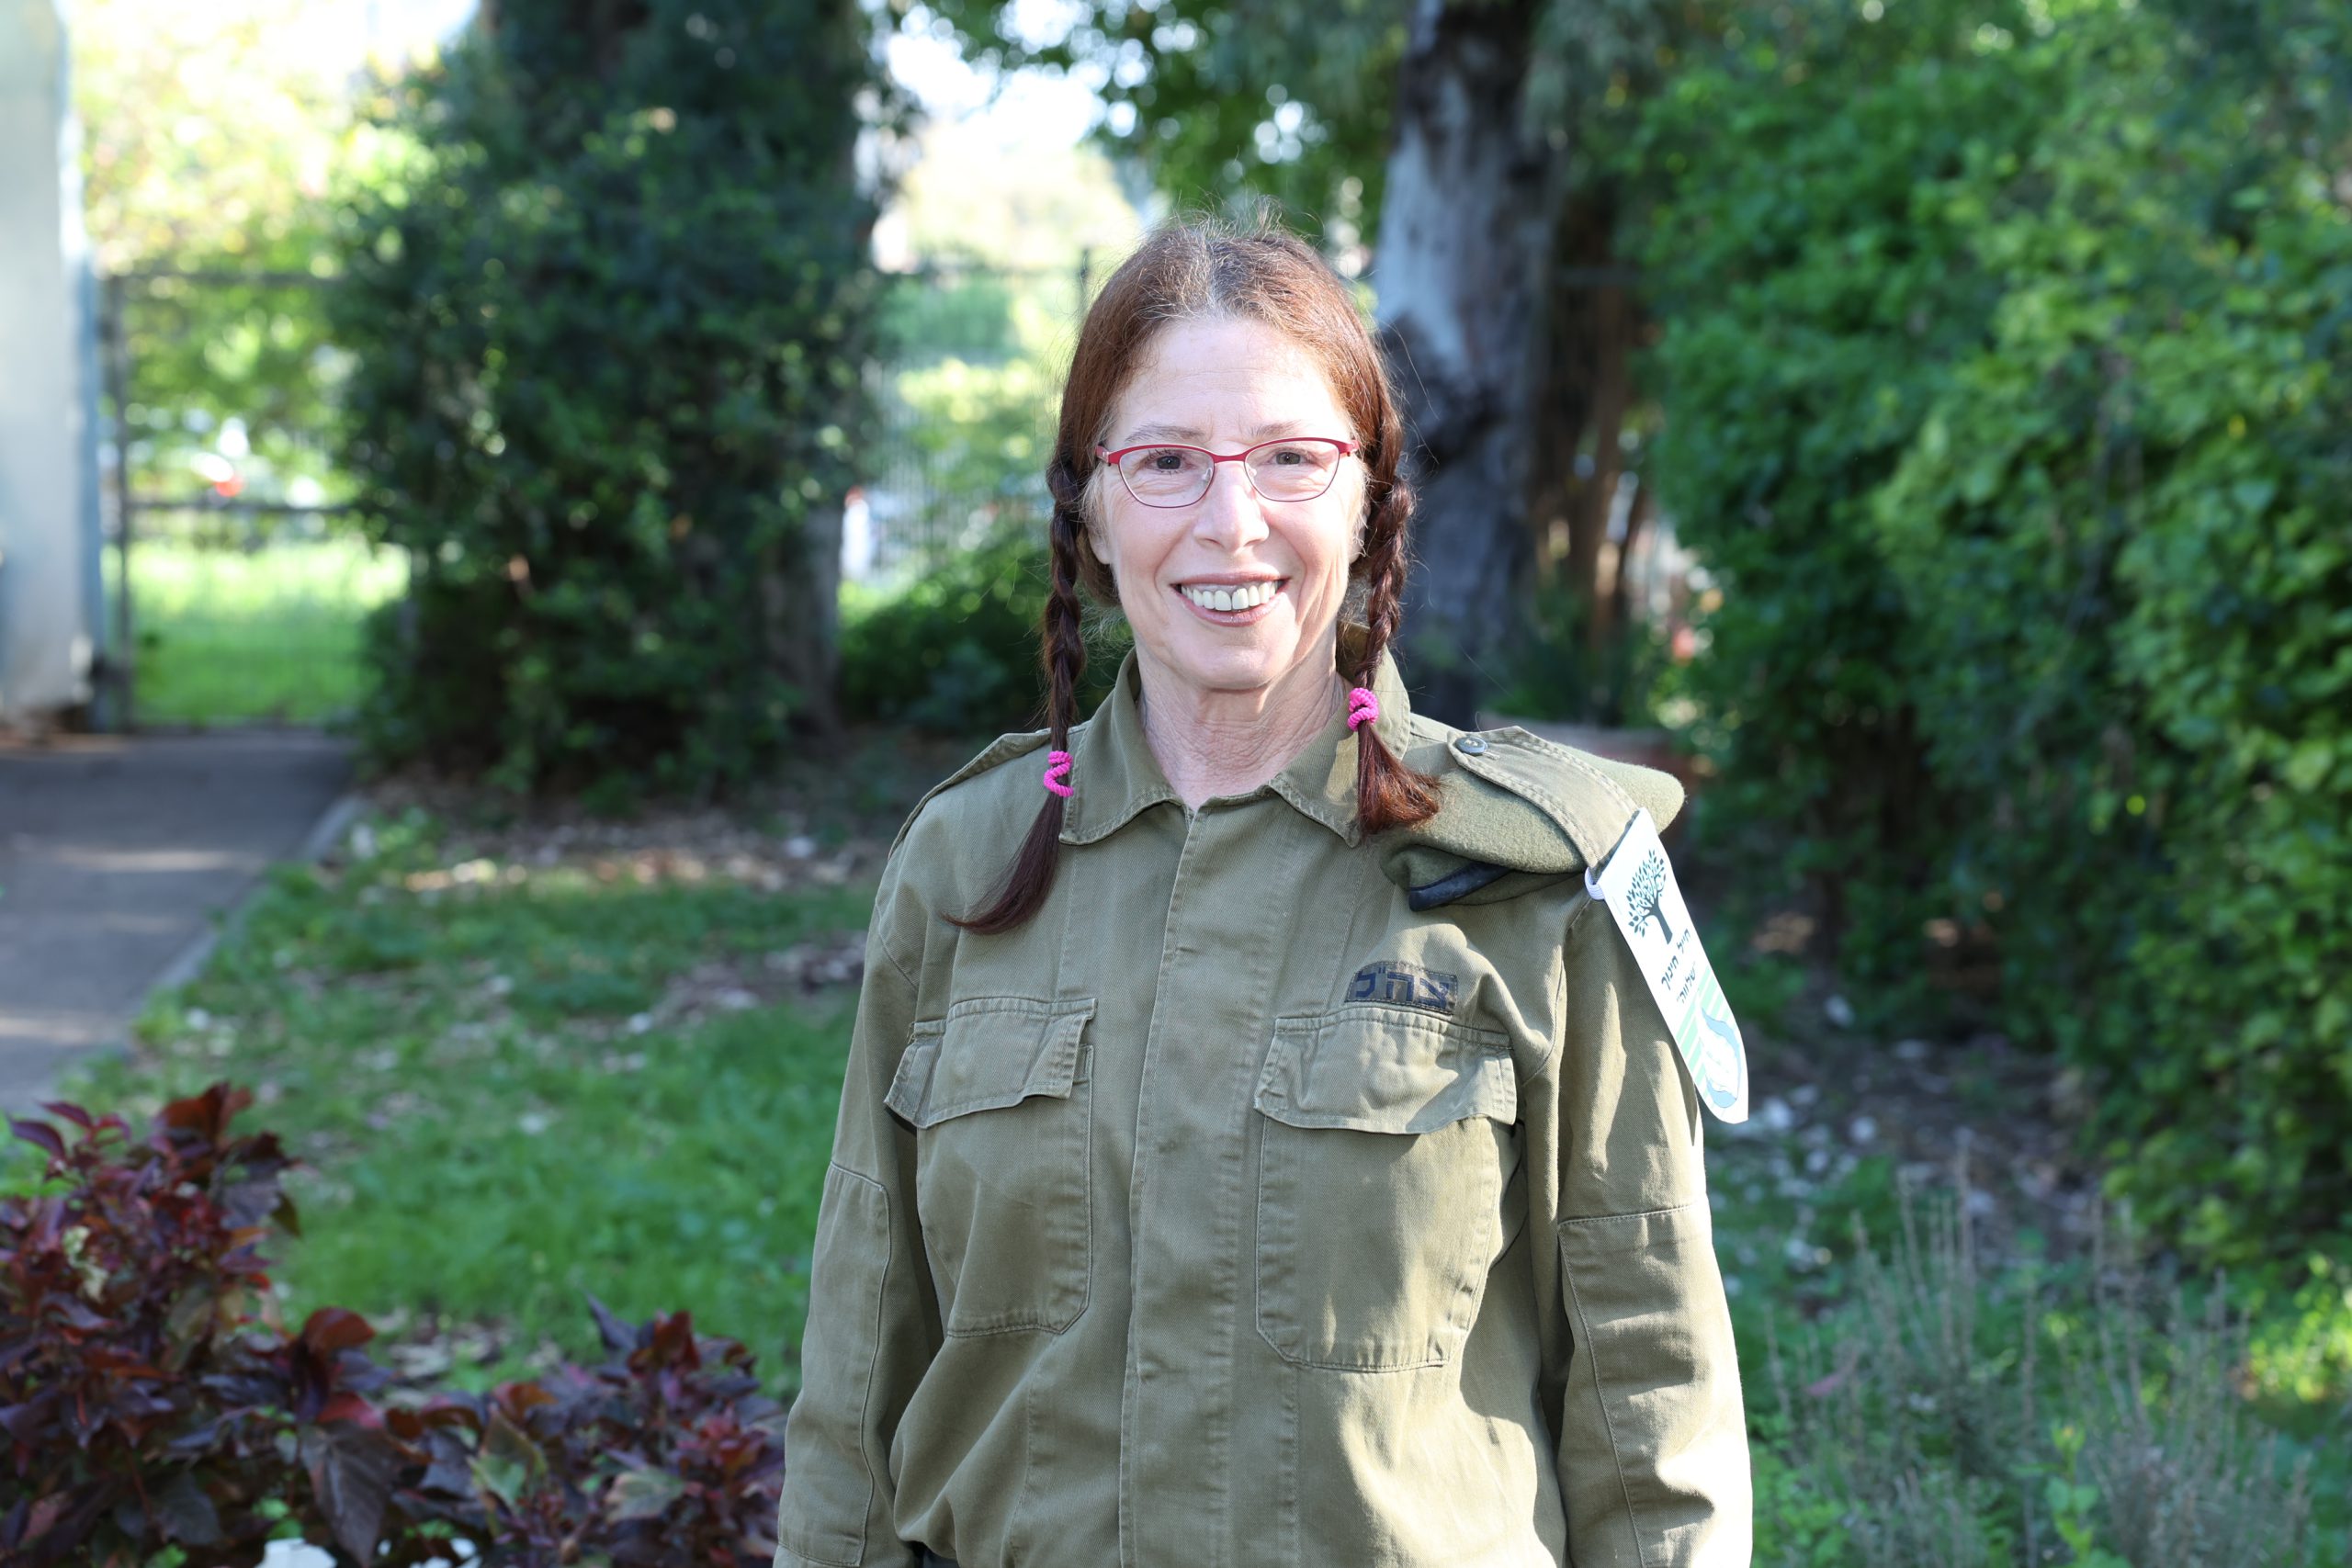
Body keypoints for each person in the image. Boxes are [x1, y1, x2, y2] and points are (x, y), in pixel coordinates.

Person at [773, 218, 1751, 1568]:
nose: (1231, 523)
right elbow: (860, 1356)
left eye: (1293, 458)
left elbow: (1651, 1391)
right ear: (1091, 508)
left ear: (1368, 501)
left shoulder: (1540, 884)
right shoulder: (965, 865)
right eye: (1166, 461)